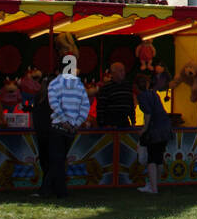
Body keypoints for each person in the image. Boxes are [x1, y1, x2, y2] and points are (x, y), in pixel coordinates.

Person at [42, 66, 90, 199]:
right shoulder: (78, 87)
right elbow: (85, 106)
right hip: (69, 128)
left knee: (57, 160)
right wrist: (76, 123)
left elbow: (54, 105)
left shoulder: (56, 85)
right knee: (59, 160)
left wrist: (65, 121)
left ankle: (55, 190)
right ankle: (52, 189)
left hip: (59, 127)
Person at [135, 74, 173, 194]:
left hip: (155, 131)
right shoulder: (154, 94)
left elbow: (148, 114)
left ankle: (153, 187)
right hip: (165, 128)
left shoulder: (142, 96)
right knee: (159, 159)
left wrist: (144, 129)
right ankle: (154, 184)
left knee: (152, 159)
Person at [30, 68, 56, 194]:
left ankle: (47, 187)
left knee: (46, 161)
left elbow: (36, 117)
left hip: (43, 134)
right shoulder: (52, 99)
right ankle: (49, 187)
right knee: (51, 161)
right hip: (51, 133)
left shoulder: (39, 98)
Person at [97, 61, 135, 128]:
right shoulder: (106, 87)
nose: (123, 73)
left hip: (125, 123)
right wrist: (102, 124)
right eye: (120, 71)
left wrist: (133, 121)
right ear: (113, 73)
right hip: (110, 124)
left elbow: (131, 104)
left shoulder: (127, 86)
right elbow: (101, 107)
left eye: (123, 70)